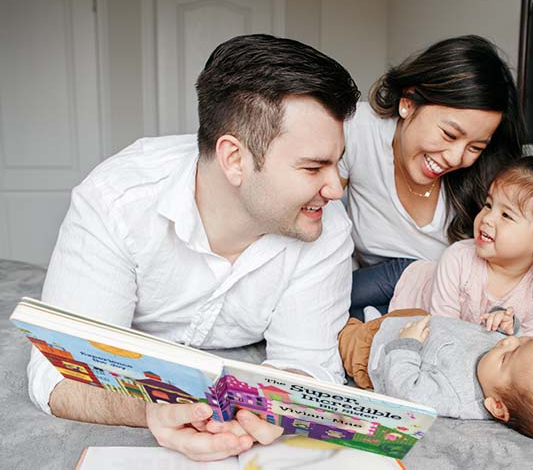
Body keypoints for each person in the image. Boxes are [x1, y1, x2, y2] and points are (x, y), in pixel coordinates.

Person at [26, 34, 360, 461]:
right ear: (234, 159)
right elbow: (57, 374)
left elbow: (310, 366)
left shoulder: (325, 226)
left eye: (338, 162)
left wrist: (271, 403)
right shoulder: (117, 199)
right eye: (314, 167)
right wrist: (153, 408)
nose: (335, 188)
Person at [339, 35, 526, 320]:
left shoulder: (488, 176)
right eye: (449, 134)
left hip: (444, 299)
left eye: (476, 147)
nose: (455, 158)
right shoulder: (359, 130)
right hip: (379, 284)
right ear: (408, 102)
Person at [388, 155, 533, 342]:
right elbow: (441, 331)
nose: (487, 218)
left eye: (506, 215)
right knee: (352, 295)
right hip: (405, 280)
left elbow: (528, 353)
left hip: (413, 318)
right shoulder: (458, 257)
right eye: (489, 204)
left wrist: (510, 333)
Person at [339, 311, 533, 444]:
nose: (507, 343)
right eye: (523, 340)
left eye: (507, 356)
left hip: (375, 348)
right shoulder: (504, 369)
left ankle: (347, 325)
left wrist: (406, 345)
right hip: (418, 321)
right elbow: (506, 342)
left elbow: (406, 390)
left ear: (496, 406)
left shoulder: (458, 395)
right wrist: (504, 321)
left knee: (336, 328)